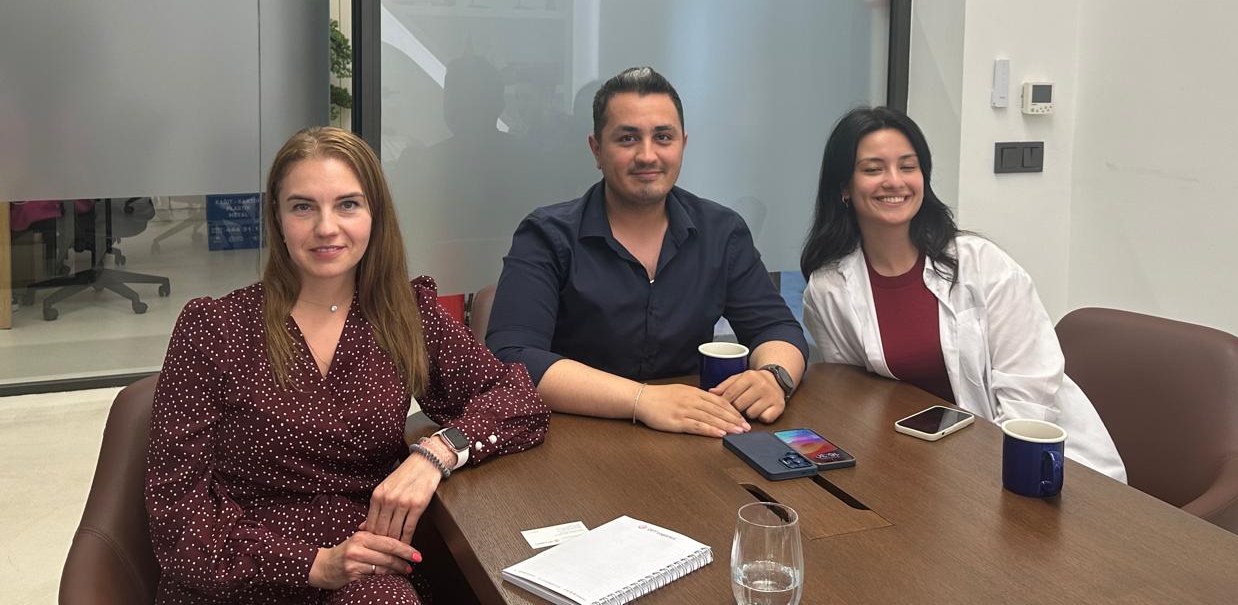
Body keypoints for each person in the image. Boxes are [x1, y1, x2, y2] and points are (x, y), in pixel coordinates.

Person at [145, 127, 549, 604]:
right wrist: (316, 564)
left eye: (348, 205)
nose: (326, 227)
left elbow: (518, 399)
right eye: (303, 207)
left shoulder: (406, 315)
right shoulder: (214, 328)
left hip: (366, 567)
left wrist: (436, 454)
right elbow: (176, 516)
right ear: (277, 218)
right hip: (238, 572)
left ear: (375, 214)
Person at [800, 107, 1125, 480]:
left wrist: (980, 477)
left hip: (1034, 462)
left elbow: (1029, 394)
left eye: (908, 166)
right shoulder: (828, 290)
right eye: (873, 169)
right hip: (915, 466)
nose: (894, 181)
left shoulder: (983, 265)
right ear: (844, 187)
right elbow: (854, 397)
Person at [486, 66, 808, 438]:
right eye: (627, 139)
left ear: (682, 144)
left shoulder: (721, 231)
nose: (647, 155)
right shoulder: (546, 235)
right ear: (596, 149)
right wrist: (642, 400)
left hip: (690, 436)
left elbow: (777, 328)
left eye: (663, 137)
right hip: (574, 439)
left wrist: (773, 377)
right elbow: (513, 356)